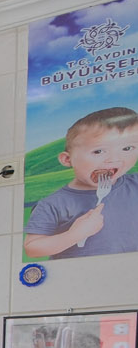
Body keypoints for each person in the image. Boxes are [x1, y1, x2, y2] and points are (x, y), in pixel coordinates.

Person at [24, 106, 138, 258]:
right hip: (81, 271)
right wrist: (74, 235)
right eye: (98, 151)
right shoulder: (53, 203)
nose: (114, 159)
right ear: (67, 159)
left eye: (127, 148)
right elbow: (32, 248)